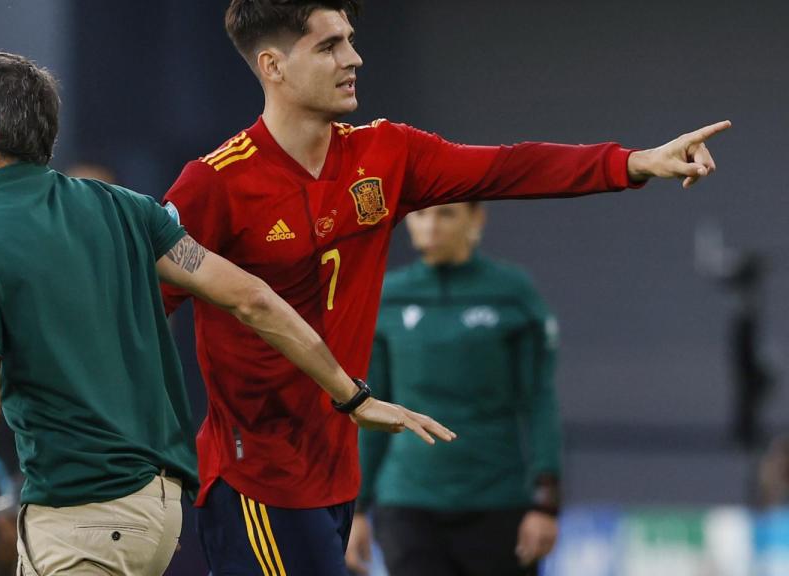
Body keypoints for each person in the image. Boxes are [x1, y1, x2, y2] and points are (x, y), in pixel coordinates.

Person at [159, 1, 729, 573]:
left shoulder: (385, 153)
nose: (353, 58)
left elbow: (508, 169)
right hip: (257, 475)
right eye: (329, 46)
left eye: (350, 40)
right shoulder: (215, 184)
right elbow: (135, 311)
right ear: (272, 65)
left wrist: (634, 162)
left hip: (339, 467)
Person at [0, 50, 453, 576]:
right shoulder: (126, 209)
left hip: (82, 518)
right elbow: (252, 297)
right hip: (158, 516)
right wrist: (352, 395)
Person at [346, 202, 561, 575]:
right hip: (408, 503)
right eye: (420, 214)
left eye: (446, 214)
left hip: (497, 501)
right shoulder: (387, 296)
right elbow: (370, 410)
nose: (430, 227)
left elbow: (539, 400)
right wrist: (357, 509)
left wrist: (546, 503)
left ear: (476, 218)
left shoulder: (512, 294)